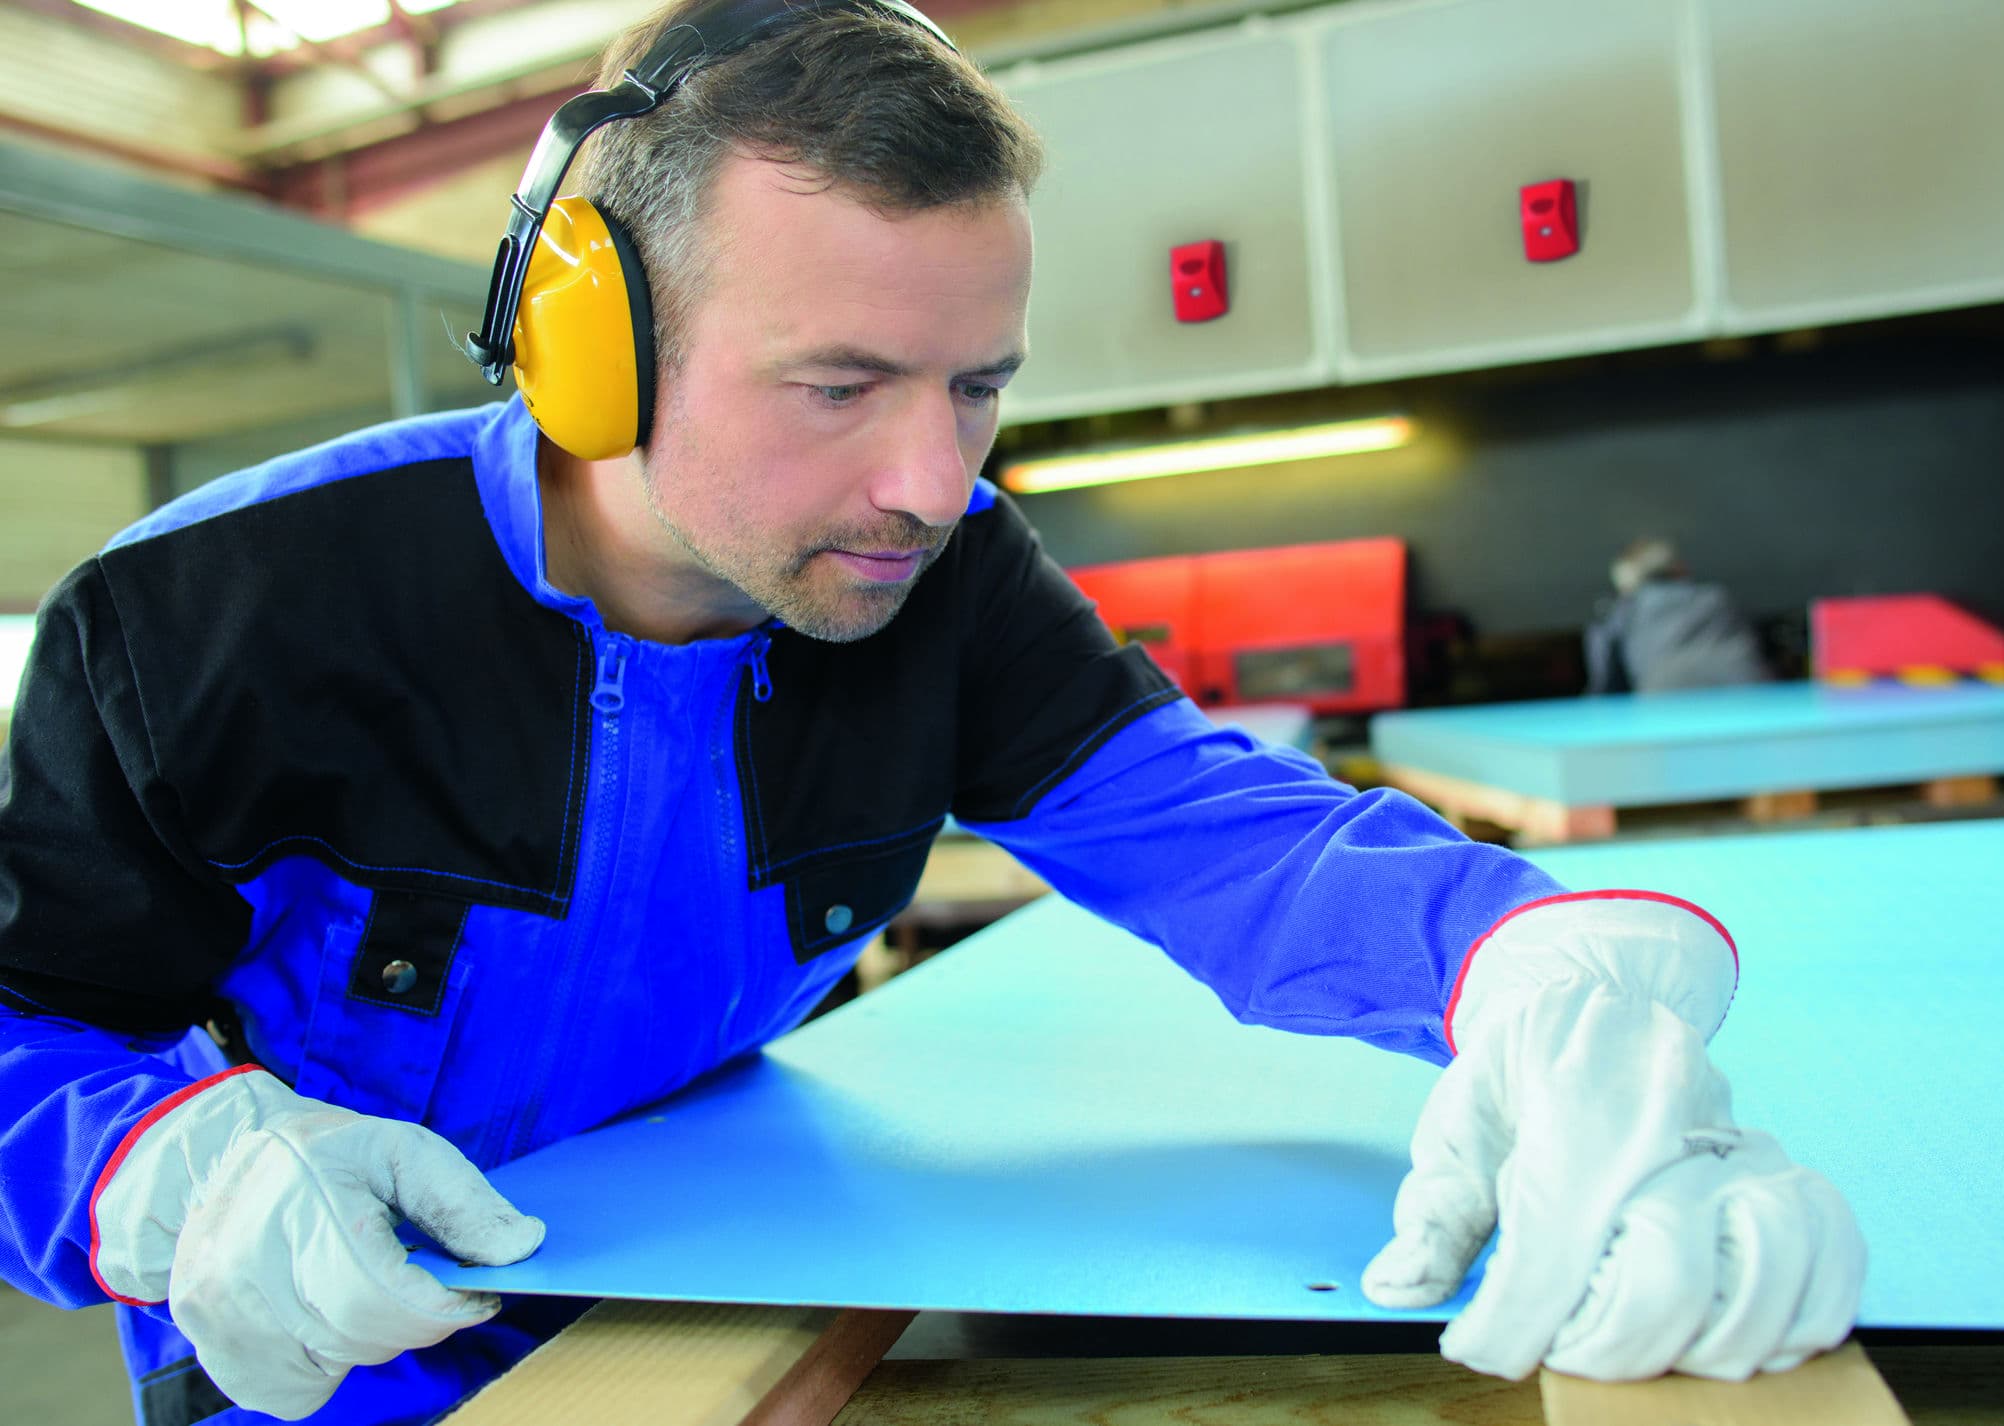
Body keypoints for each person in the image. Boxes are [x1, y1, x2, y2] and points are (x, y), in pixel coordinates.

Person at [0, 4, 1864, 1422]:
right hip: (331, 1349)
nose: (931, 479)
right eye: (840, 386)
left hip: (732, 1288)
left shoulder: (941, 577)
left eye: (976, 385)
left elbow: (1237, 839)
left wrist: (1537, 971)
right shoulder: (207, 620)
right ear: (590, 344)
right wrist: (167, 1166)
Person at [1584, 537, 1772, 694]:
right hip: (1748, 696)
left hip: (1667, 706)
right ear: (1679, 569)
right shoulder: (1718, 598)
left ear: (1625, 585)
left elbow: (1606, 685)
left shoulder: (1622, 614)